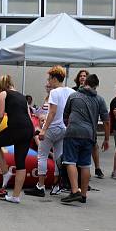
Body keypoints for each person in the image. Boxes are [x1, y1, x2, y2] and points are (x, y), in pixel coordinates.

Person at [25, 66, 75, 198]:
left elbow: (52, 112)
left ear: (54, 78)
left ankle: (40, 186)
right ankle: (56, 185)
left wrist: (43, 130)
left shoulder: (54, 93)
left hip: (52, 127)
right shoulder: (70, 91)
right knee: (59, 156)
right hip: (64, 128)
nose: (48, 82)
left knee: (42, 155)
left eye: (49, 79)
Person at [61, 74, 110, 204]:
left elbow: (65, 116)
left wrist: (69, 125)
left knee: (70, 161)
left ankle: (74, 191)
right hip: (89, 135)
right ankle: (83, 194)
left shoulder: (73, 96)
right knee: (85, 164)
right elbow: (106, 121)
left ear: (85, 82)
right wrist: (106, 139)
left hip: (73, 132)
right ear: (96, 86)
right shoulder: (100, 99)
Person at [0, 75, 34, 203]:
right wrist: (33, 132)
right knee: (20, 163)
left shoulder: (3, 94)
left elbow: (0, 115)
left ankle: (6, 172)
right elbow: (29, 116)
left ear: (2, 85)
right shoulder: (22, 97)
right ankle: (16, 196)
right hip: (28, 129)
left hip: (17, 128)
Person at [73, 70, 104, 179]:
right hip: (79, 127)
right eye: (80, 76)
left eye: (84, 76)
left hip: (90, 126)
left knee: (93, 147)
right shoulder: (74, 91)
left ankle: (97, 168)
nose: (82, 77)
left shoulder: (95, 96)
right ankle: (82, 172)